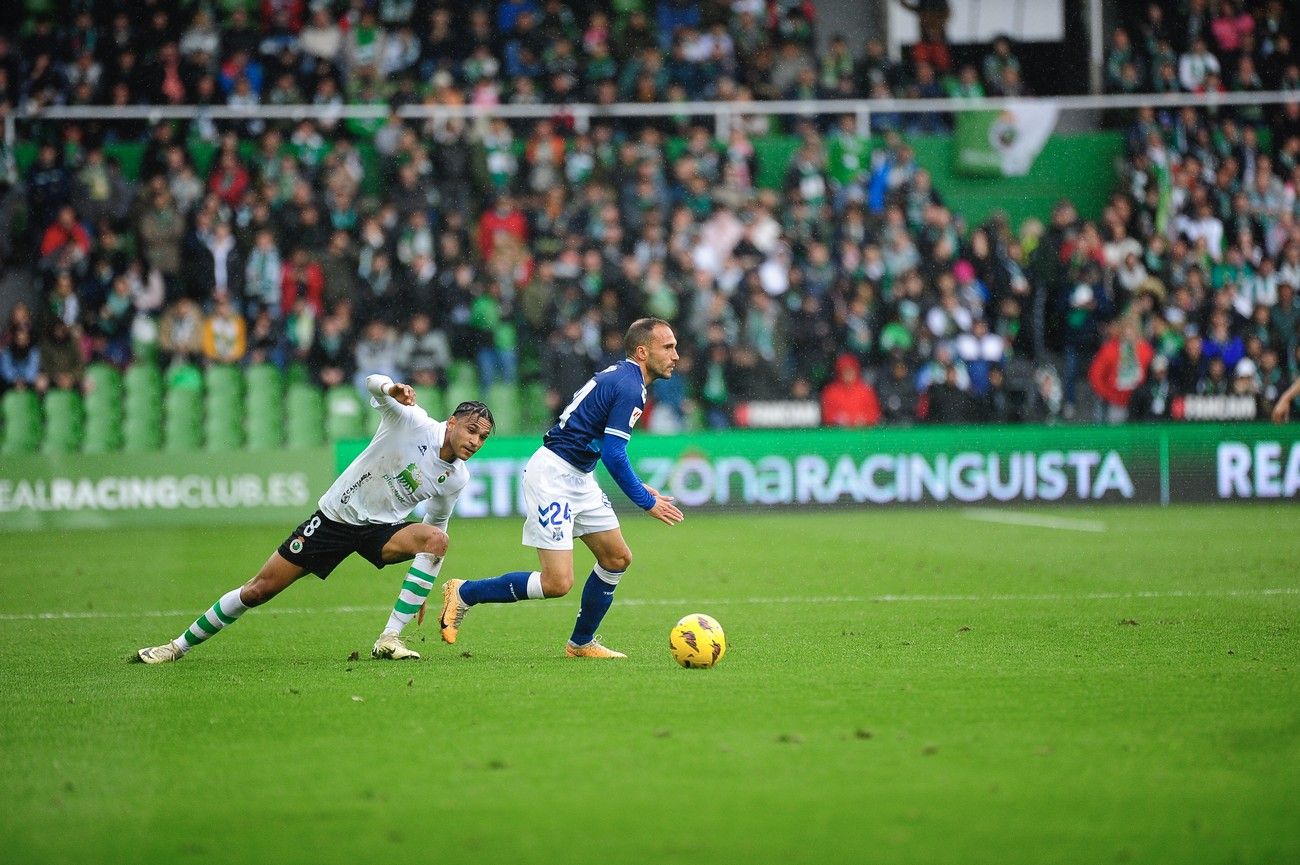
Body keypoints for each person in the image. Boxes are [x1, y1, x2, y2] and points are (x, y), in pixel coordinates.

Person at [131, 378, 495, 664]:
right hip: (336, 518)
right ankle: (176, 646)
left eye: (482, 437)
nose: (475, 441)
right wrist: (390, 388)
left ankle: (389, 637)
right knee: (258, 589)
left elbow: (437, 524)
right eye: (471, 430)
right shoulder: (411, 420)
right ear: (452, 423)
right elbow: (371, 382)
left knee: (437, 542)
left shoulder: (457, 477)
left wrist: (422, 582)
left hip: (381, 531)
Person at [435, 317, 685, 659]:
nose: (676, 355)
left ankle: (581, 643)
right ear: (642, 352)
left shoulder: (626, 379)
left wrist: (640, 485)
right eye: (667, 347)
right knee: (557, 583)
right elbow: (613, 453)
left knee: (617, 558)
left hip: (579, 476)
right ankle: (465, 592)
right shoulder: (629, 386)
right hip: (553, 476)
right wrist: (644, 501)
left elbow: (599, 442)